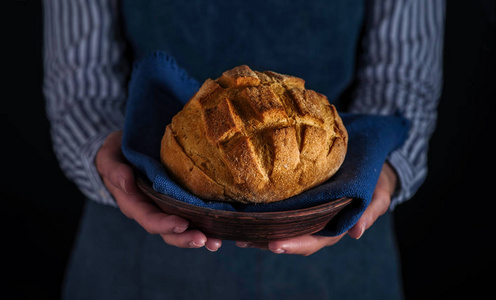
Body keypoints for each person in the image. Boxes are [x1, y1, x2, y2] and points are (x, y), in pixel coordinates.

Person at [43, 0, 445, 299]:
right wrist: (103, 150)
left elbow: (403, 81)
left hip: (343, 260)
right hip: (134, 260)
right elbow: (81, 81)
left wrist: (384, 170)